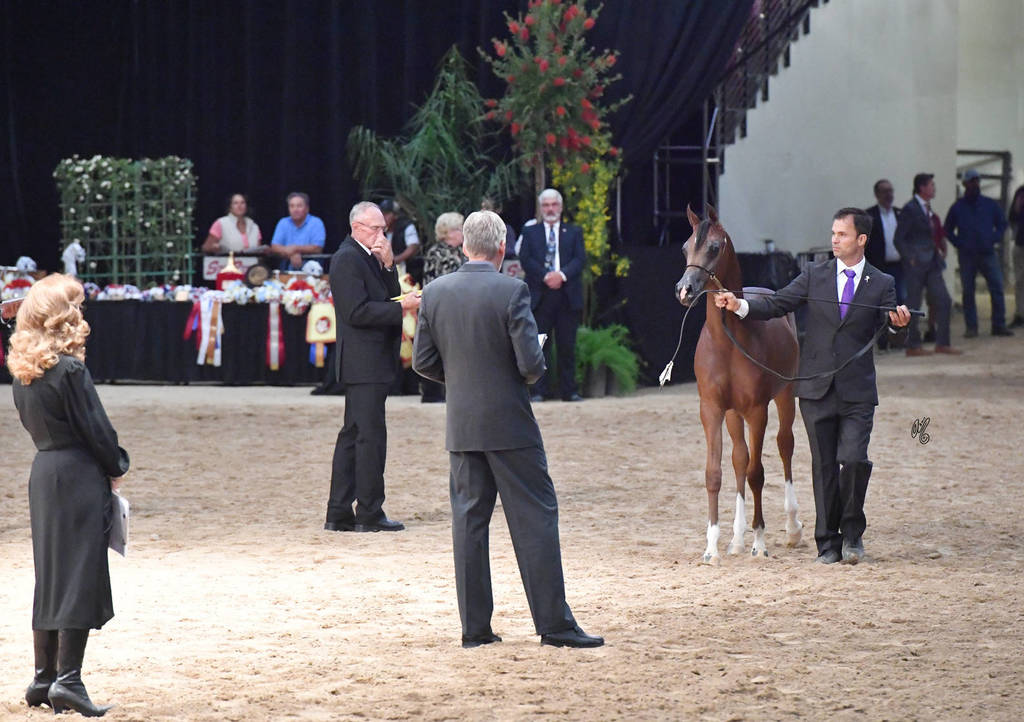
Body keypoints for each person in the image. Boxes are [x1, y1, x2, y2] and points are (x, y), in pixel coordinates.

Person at [412, 210, 603, 648]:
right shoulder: (512, 290)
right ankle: (554, 625)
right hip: (510, 424)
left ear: (464, 246)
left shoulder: (435, 292)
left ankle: (475, 629)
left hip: (462, 425)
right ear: (502, 248)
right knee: (535, 518)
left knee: (469, 525)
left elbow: (422, 361)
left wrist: (461, 381)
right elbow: (531, 366)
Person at [714, 208, 911, 565]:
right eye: (833, 233)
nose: (834, 239)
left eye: (842, 234)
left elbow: (890, 334)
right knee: (823, 467)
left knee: (853, 460)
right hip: (815, 388)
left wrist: (899, 325)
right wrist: (740, 305)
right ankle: (828, 544)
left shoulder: (882, 283)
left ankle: (853, 533)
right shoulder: (813, 274)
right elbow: (777, 303)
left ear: (861, 240)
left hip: (857, 390)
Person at [7, 273, 130, 716]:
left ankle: (44, 677)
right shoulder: (70, 370)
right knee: (78, 574)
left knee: (51, 575)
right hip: (77, 474)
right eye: (75, 305)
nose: (80, 312)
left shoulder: (24, 371)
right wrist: (116, 465)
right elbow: (96, 429)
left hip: (44, 472)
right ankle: (69, 680)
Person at [324, 201, 420, 533]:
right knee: (369, 438)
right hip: (362, 362)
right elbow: (356, 312)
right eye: (376, 229)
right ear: (357, 227)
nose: (382, 234)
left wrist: (390, 265)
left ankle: (339, 512)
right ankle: (369, 511)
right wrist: (402, 308)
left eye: (384, 228)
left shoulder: (369, 256)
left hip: (373, 361)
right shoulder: (347, 258)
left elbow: (388, 296)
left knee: (355, 435)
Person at [518, 188, 586, 402]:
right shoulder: (530, 232)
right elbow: (525, 259)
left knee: (567, 346)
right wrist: (546, 276)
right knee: (539, 345)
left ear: (561, 207)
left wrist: (561, 275)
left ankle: (569, 391)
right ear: (541, 208)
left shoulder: (574, 232)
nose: (550, 209)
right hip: (540, 296)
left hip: (567, 296)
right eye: (546, 205)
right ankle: (539, 391)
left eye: (554, 204)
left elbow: (580, 259)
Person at [894, 173, 960, 356]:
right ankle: (912, 345)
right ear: (922, 188)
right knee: (914, 303)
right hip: (916, 263)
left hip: (931, 261)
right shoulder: (910, 209)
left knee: (944, 300)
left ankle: (942, 343)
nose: (934, 188)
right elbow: (898, 239)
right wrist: (910, 258)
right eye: (931, 185)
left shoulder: (925, 208)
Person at [944, 169, 1013, 337]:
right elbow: (947, 229)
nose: (975, 184)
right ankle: (972, 327)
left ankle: (999, 325)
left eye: (976, 181)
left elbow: (1002, 224)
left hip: (987, 253)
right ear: (964, 184)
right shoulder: (958, 207)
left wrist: (993, 238)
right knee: (968, 291)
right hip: (967, 255)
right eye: (971, 181)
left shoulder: (989, 204)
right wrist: (959, 243)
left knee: (997, 287)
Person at [419, 211, 467, 403]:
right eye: (459, 229)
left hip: (461, 309)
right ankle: (431, 393)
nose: (462, 233)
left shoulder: (461, 251)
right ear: (448, 232)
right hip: (441, 309)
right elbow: (435, 282)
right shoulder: (436, 252)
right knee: (438, 351)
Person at [866, 179, 904, 351]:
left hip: (898, 267)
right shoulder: (869, 216)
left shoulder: (899, 214)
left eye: (890, 191)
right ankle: (882, 341)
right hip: (878, 267)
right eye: (884, 191)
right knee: (880, 305)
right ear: (877, 194)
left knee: (899, 303)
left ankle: (897, 339)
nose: (889, 195)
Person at [269, 192, 326, 270]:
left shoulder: (316, 222)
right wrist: (292, 253)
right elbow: (274, 247)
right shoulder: (283, 222)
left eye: (299, 206)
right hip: (285, 271)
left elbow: (317, 248)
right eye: (292, 206)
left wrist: (295, 249)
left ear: (307, 208)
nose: (295, 210)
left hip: (312, 271)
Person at [201, 193, 265, 254]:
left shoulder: (254, 227)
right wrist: (215, 248)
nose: (239, 206)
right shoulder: (221, 223)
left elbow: (259, 252)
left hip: (251, 261)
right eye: (235, 203)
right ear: (230, 207)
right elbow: (206, 247)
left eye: (242, 203)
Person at [379, 198, 423, 285]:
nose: (383, 217)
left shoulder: (406, 226)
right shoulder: (379, 229)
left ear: (395, 215)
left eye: (386, 214)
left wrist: (396, 260)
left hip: (408, 271)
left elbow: (413, 247)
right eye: (381, 214)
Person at [1010, 184, 1024, 328]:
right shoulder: (1021, 191)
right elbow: (1012, 217)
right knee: (1020, 281)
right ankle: (1020, 314)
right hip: (1021, 242)